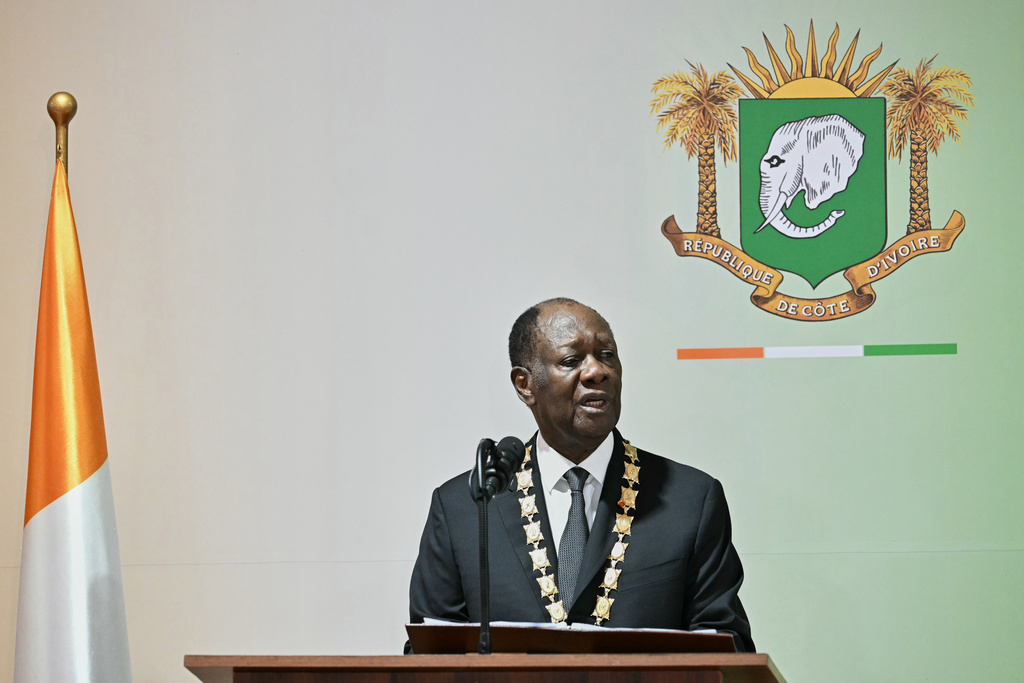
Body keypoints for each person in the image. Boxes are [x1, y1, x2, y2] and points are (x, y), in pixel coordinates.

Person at [408, 298, 754, 652]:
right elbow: (428, 653)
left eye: (606, 355)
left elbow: (727, 647)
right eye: (572, 361)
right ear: (525, 384)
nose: (596, 372)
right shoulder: (465, 508)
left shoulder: (690, 500)